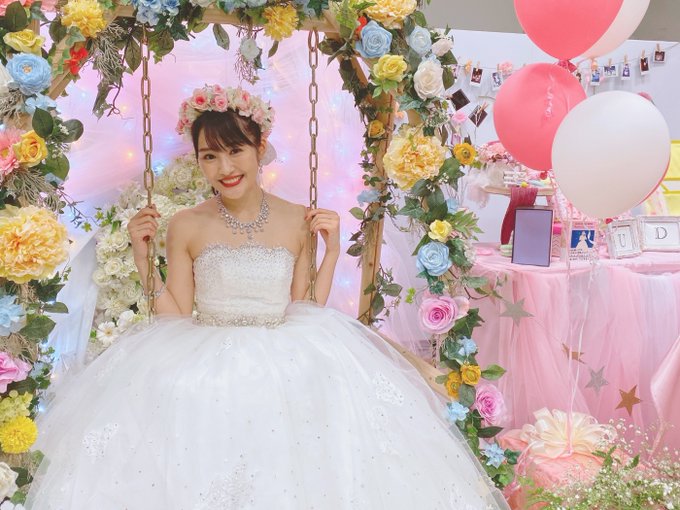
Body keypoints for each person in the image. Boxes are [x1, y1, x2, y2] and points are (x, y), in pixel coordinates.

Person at [25, 85, 507, 509]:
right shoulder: (187, 224)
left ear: (260, 148)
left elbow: (306, 307)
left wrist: (331, 251)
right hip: (203, 353)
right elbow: (173, 314)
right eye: (209, 156)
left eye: (235, 151)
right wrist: (142, 257)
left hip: (285, 350)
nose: (224, 168)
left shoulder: (297, 217)